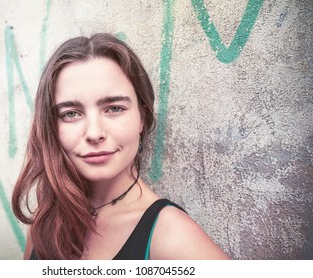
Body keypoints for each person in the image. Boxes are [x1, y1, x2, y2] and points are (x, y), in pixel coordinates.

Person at [12, 33, 229, 260]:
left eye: (114, 108)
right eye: (71, 114)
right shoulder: (46, 223)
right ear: (51, 126)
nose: (94, 133)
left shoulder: (171, 235)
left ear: (142, 118)